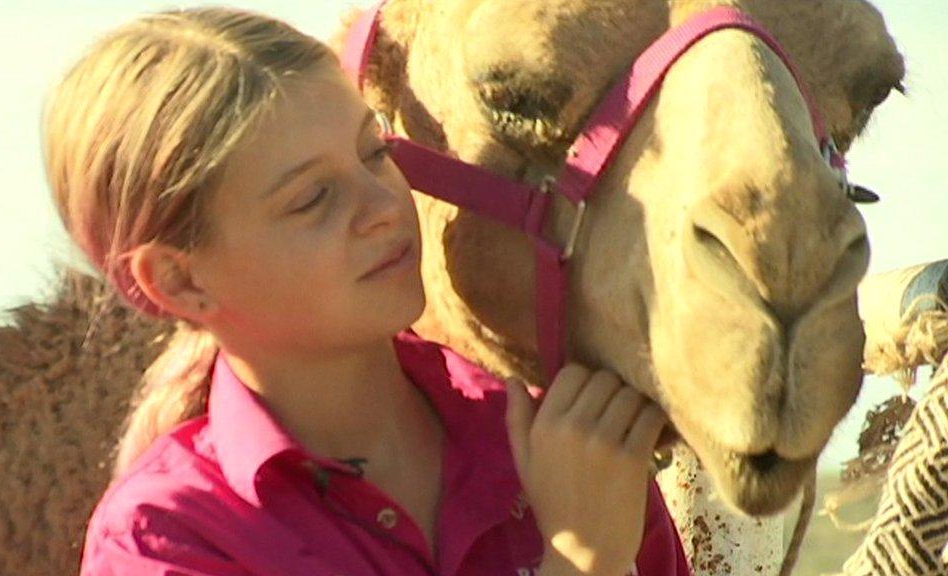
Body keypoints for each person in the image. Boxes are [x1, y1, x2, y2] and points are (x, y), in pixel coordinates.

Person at [42, 7, 688, 576]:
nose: (383, 204)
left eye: (373, 152)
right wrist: (583, 562)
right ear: (181, 280)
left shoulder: (560, 440)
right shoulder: (169, 540)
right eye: (313, 198)